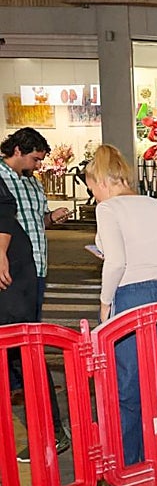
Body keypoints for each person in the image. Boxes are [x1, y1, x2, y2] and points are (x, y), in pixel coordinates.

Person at [89, 145, 157, 486]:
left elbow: (115, 261)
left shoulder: (108, 209)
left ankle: (131, 479)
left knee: (129, 389)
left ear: (102, 181)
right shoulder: (156, 204)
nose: (94, 195)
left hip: (132, 297)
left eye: (93, 187)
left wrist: (105, 304)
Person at [0, 128, 72, 402]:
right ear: (18, 150)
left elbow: (38, 220)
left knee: (30, 324)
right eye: (35, 159)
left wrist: (52, 217)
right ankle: (15, 384)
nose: (38, 165)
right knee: (13, 327)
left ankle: (26, 382)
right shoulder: (1, 179)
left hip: (38, 265)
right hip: (11, 266)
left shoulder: (33, 183)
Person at [1, 179, 70, 461]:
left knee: (23, 352)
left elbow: (4, 206)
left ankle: (51, 433)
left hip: (10, 276)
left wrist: (0, 253)